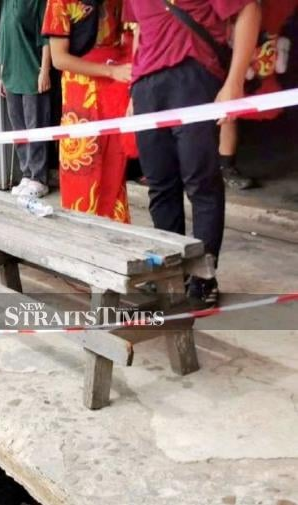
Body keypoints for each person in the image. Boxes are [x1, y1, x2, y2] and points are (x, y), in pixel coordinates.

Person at [125, 0, 261, 308]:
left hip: (193, 76)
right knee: (160, 184)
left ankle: (203, 276)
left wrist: (234, 82)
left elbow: (249, 10)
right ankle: (170, 272)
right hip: (147, 86)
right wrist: (134, 88)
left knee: (201, 182)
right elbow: (139, 31)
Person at [43, 0, 133, 222]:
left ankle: (116, 237)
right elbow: (59, 59)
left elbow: (132, 34)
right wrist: (110, 71)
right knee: (82, 166)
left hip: (115, 87)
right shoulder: (59, 2)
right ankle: (81, 238)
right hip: (80, 93)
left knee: (115, 165)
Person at [217, 0, 297, 190]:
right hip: (221, 44)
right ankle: (221, 166)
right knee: (220, 107)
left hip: (265, 42)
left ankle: (225, 166)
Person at [0, 0, 52, 198]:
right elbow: (4, 38)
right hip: (11, 73)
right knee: (19, 128)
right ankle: (27, 173)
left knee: (35, 126)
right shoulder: (6, 3)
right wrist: (1, 73)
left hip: (32, 72)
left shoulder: (37, 2)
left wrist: (45, 70)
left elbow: (46, 37)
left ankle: (39, 178)